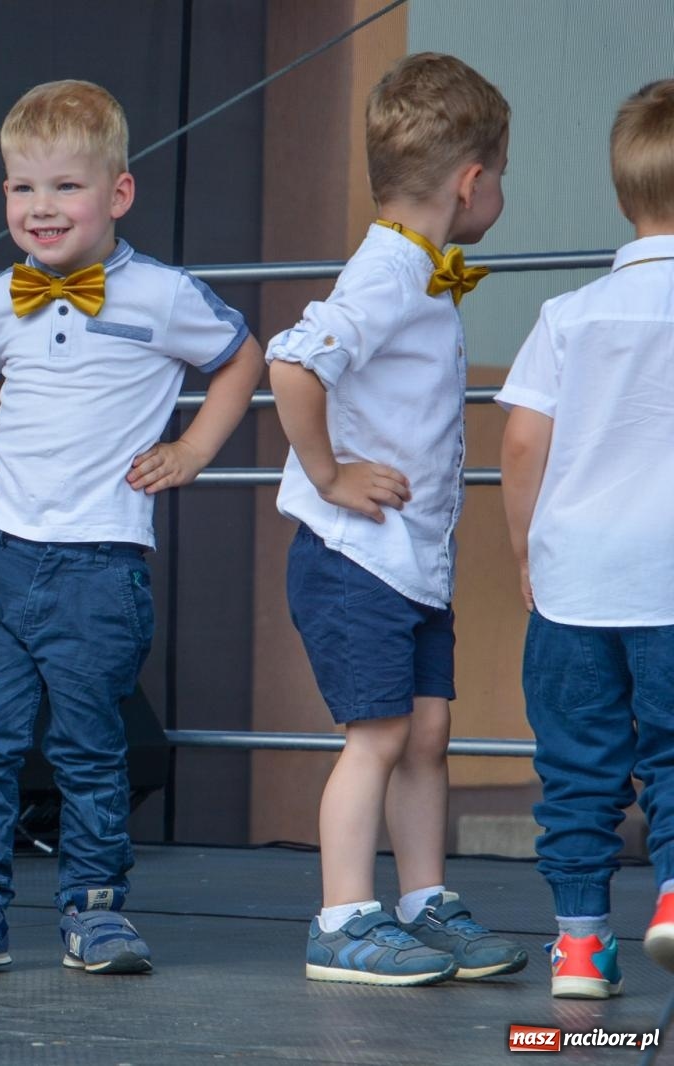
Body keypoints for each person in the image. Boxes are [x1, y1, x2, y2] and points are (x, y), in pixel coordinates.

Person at [0, 79, 263, 977]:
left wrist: (191, 450)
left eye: (66, 187)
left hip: (100, 564)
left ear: (118, 194)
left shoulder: (161, 294)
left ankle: (94, 909)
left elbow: (240, 356)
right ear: (4, 198)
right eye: (24, 188)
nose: (42, 208)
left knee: (87, 744)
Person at [267, 53, 526, 986]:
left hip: (408, 561)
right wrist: (328, 473)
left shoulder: (420, 268)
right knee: (376, 737)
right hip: (356, 558)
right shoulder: (388, 271)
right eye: (502, 175)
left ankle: (424, 902)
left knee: (425, 732)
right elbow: (292, 364)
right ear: (472, 181)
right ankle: (342, 918)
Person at [498, 77, 674, 1000]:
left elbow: (523, 440)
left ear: (621, 196)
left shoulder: (568, 316)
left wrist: (527, 548)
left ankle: (578, 950)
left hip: (574, 584)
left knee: (577, 766)